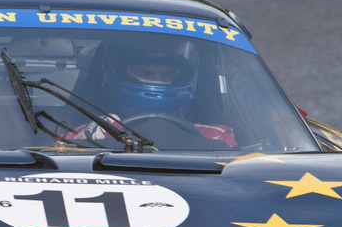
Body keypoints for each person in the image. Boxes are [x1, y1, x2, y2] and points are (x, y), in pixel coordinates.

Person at [66, 37, 236, 147]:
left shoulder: (214, 136)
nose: (158, 81)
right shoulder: (95, 130)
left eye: (169, 76)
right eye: (145, 74)